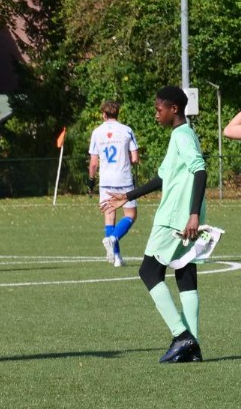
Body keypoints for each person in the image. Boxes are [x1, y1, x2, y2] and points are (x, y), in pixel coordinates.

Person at [102, 86, 207, 363]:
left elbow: (200, 170)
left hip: (175, 218)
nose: (155, 114)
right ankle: (192, 347)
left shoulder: (182, 136)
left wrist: (193, 214)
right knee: (185, 274)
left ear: (174, 109)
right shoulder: (183, 134)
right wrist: (127, 196)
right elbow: (162, 178)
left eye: (159, 109)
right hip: (185, 216)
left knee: (148, 271)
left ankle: (181, 335)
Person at [89, 100, 140, 267]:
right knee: (130, 215)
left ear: (104, 114)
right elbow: (135, 158)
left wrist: (91, 181)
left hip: (106, 181)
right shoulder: (127, 130)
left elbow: (94, 163)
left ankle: (117, 258)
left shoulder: (97, 132)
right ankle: (113, 239)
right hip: (123, 178)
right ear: (117, 113)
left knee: (109, 216)